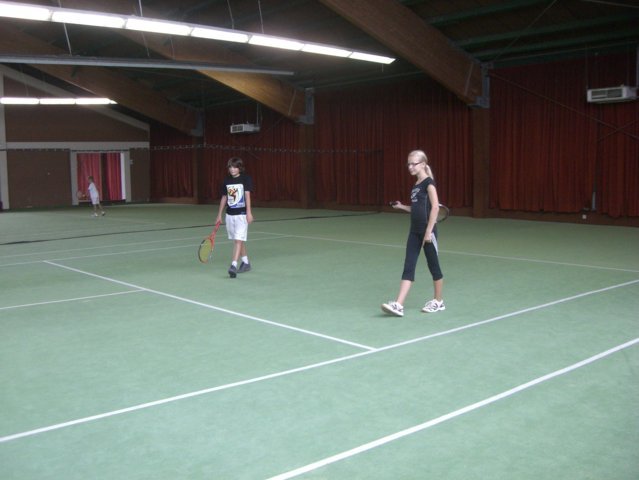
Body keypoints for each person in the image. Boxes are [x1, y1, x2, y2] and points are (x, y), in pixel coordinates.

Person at [382, 149, 444, 317]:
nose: (410, 167)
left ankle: (438, 301)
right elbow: (416, 209)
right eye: (408, 164)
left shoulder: (429, 183)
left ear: (423, 164)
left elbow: (435, 208)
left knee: (434, 267)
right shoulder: (416, 185)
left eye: (413, 164)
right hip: (414, 232)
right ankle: (398, 305)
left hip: (428, 233)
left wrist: (428, 232)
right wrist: (401, 206)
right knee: (408, 266)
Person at [216, 157, 254, 278]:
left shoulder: (245, 179)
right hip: (229, 215)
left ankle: (233, 265)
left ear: (240, 168)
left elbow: (247, 196)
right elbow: (224, 197)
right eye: (230, 167)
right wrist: (219, 214)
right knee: (237, 239)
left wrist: (249, 212)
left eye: (235, 167)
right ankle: (246, 263)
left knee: (238, 240)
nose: (232, 169)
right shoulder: (226, 180)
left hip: (241, 215)